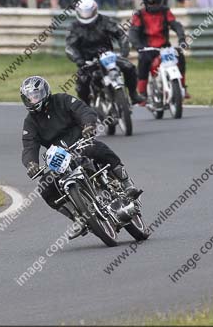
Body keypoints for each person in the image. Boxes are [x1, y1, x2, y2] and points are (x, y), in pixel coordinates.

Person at [19, 76, 142, 239]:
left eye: (35, 96)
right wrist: (31, 164)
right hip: (60, 158)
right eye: (29, 98)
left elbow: (83, 110)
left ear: (44, 93)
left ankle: (125, 182)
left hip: (81, 143)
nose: (32, 101)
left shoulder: (62, 100)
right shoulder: (30, 122)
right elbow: (29, 146)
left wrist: (89, 126)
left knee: (98, 148)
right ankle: (77, 218)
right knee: (45, 186)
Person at [66, 0, 144, 106]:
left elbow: (120, 35)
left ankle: (133, 94)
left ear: (95, 10)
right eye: (84, 12)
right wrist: (78, 59)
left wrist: (124, 51)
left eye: (89, 12)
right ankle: (86, 107)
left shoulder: (105, 21)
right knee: (82, 82)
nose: (86, 15)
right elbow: (70, 47)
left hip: (107, 56)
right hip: (87, 61)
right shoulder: (74, 27)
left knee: (129, 67)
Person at [129, 0, 189, 101]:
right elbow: (133, 32)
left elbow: (175, 25)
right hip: (148, 48)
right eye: (151, 2)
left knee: (180, 57)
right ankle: (142, 93)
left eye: (156, 1)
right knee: (143, 61)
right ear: (145, 1)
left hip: (164, 48)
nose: (154, 5)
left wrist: (181, 38)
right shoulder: (139, 14)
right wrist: (138, 46)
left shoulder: (165, 12)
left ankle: (182, 87)